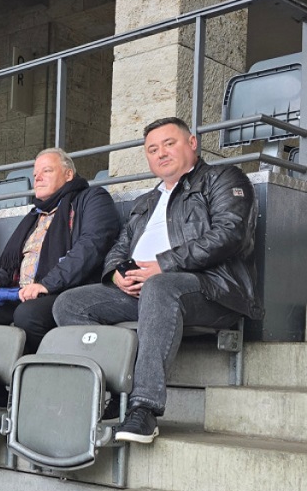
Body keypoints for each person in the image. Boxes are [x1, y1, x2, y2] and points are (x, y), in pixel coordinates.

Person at [54, 117, 261, 443]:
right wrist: (117, 275)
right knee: (70, 303)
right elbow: (117, 250)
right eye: (153, 149)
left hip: (210, 288)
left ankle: (144, 408)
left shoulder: (223, 179)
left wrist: (163, 265)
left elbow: (230, 233)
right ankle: (109, 396)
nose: (161, 153)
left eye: (169, 143)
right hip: (144, 290)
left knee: (160, 287)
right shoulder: (146, 202)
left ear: (192, 143)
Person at [0, 149, 121, 352]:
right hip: (22, 293)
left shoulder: (92, 198)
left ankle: (29, 373)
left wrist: (46, 285)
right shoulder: (35, 214)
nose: (37, 178)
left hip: (62, 291)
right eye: (35, 175)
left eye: (46, 171)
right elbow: (9, 262)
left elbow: (92, 246)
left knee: (27, 314)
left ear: (68, 175)